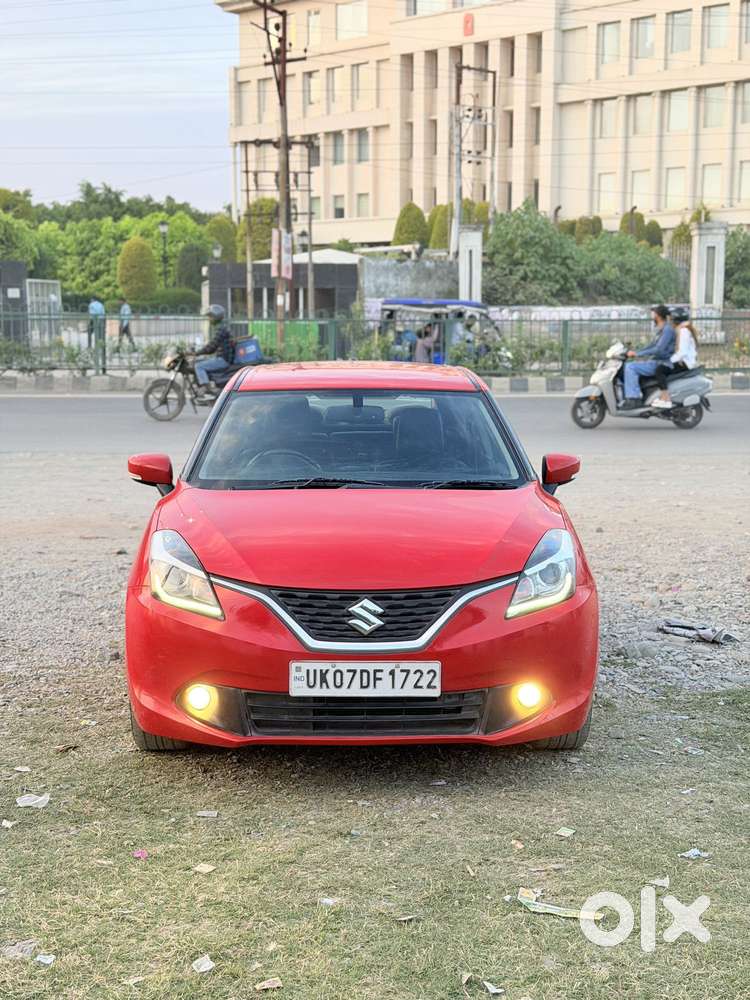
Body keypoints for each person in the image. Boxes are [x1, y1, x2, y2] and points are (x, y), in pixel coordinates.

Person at [621, 304, 676, 410]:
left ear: (658, 316)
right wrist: (636, 352)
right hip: (656, 361)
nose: (652, 316)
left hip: (662, 362)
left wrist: (637, 354)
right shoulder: (661, 330)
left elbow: (658, 349)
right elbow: (651, 346)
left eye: (654, 314)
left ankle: (633, 399)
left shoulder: (667, 330)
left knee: (630, 367)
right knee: (631, 364)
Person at [651, 306, 699, 409]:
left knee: (660, 370)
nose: (670, 322)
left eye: (671, 320)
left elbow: (682, 352)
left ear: (675, 320)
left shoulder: (684, 331)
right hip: (685, 361)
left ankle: (665, 399)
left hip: (685, 363)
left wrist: (669, 361)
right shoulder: (684, 328)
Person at [194, 304, 234, 395]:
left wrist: (196, 353)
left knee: (198, 366)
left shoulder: (221, 329)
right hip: (222, 357)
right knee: (201, 361)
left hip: (223, 359)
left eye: (210, 317)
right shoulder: (222, 327)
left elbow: (212, 347)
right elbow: (213, 346)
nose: (209, 319)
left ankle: (206, 387)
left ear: (216, 316)